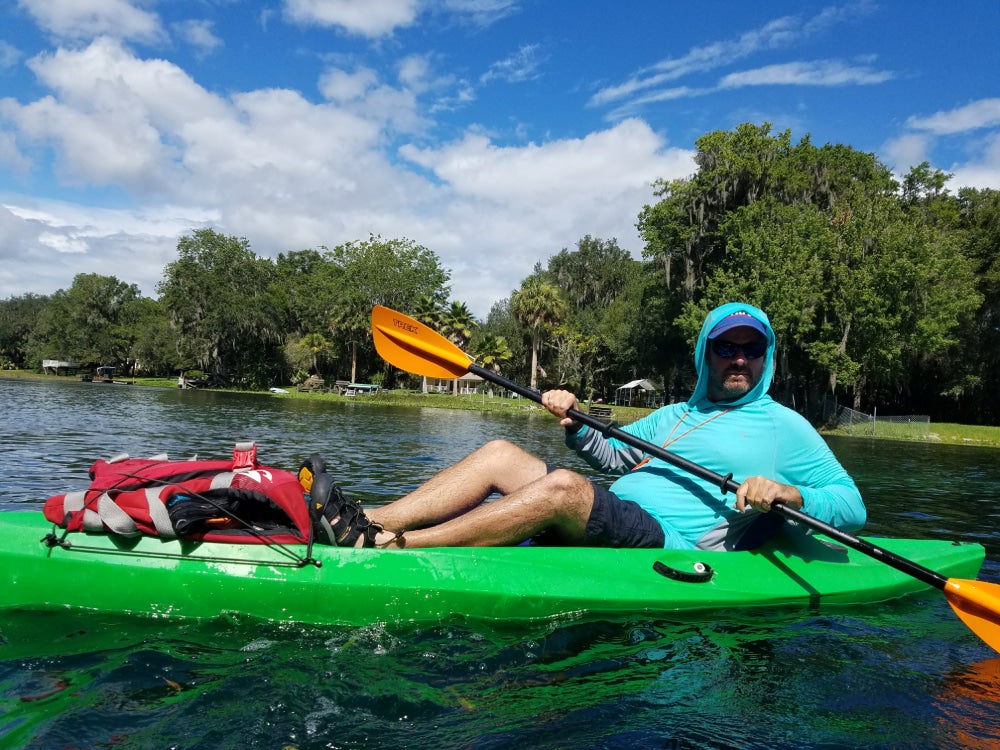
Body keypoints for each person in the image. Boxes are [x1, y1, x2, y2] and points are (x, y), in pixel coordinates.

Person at [309, 302, 866, 551]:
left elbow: (851, 505)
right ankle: (358, 523)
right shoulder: (676, 415)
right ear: (706, 355)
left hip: (669, 541)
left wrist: (788, 492)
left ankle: (392, 546)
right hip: (619, 511)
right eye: (726, 347)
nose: (738, 358)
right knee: (502, 450)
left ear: (767, 357)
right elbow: (616, 458)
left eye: (751, 348)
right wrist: (575, 423)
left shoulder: (784, 426)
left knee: (564, 488)